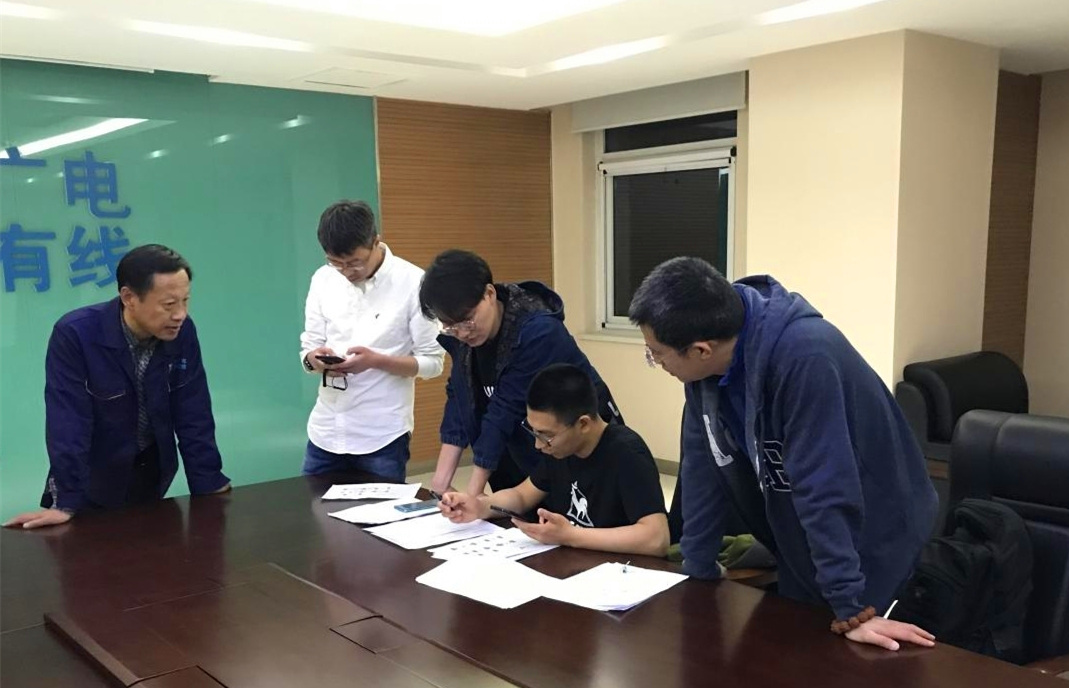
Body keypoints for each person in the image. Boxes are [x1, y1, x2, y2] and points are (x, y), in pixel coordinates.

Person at [629, 257, 938, 651]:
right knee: (789, 657)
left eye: (656, 354)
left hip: (876, 543)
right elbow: (703, 466)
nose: (657, 363)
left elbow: (823, 485)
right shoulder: (705, 370)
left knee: (851, 663)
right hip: (802, 540)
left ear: (701, 350)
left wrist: (850, 605)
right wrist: (699, 567)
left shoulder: (806, 356)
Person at [4, 244, 230, 530]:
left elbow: (193, 410)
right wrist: (65, 501)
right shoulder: (76, 334)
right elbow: (69, 421)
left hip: (152, 476)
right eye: (169, 304)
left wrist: (208, 481)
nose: (180, 314)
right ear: (129, 297)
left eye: (185, 301)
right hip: (92, 482)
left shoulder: (182, 332)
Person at [419, 249, 622, 496]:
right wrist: (441, 483)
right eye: (450, 326)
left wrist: (473, 494)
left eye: (467, 320)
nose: (461, 333)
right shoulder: (467, 337)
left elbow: (503, 410)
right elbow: (459, 400)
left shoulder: (537, 332)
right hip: (526, 454)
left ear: (489, 293)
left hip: (576, 450)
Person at [439, 364, 668, 557]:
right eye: (534, 431)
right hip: (573, 562)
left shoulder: (626, 453)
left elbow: (656, 538)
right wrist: (480, 506)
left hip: (620, 571)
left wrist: (571, 536)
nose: (538, 445)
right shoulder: (560, 449)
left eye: (546, 435)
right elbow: (522, 496)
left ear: (583, 424)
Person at [299, 200, 444, 482]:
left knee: (382, 511)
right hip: (326, 430)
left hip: (382, 435)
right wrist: (313, 360)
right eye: (336, 262)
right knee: (310, 507)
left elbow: (433, 363)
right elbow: (309, 347)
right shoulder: (323, 279)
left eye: (355, 262)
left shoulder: (414, 283)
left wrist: (377, 361)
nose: (346, 271)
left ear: (376, 241)